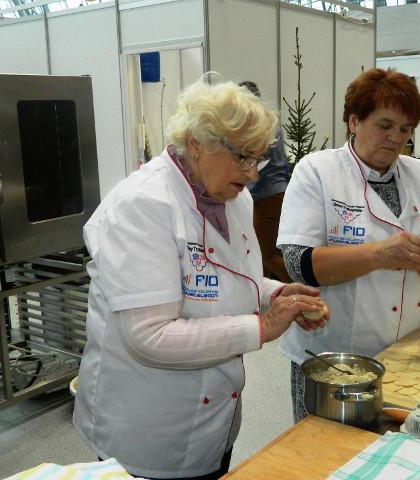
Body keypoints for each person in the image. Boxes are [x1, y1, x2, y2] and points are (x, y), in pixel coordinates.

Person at [73, 77, 327, 480]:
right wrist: (262, 327)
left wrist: (276, 293)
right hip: (149, 427)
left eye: (258, 159)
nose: (252, 175)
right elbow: (150, 336)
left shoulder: (234, 198)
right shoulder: (142, 204)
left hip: (216, 419)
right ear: (197, 143)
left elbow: (231, 277)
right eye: (243, 157)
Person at [276, 68, 420, 422]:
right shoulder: (317, 171)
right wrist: (378, 254)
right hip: (335, 360)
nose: (395, 138)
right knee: (326, 452)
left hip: (407, 350)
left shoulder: (417, 174)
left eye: (405, 129)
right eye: (385, 125)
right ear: (354, 121)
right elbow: (299, 264)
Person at [239, 80, 291, 282]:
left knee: (266, 254)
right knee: (265, 253)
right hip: (274, 193)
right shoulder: (270, 121)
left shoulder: (258, 125)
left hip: (266, 195)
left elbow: (259, 162)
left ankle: (302, 287)